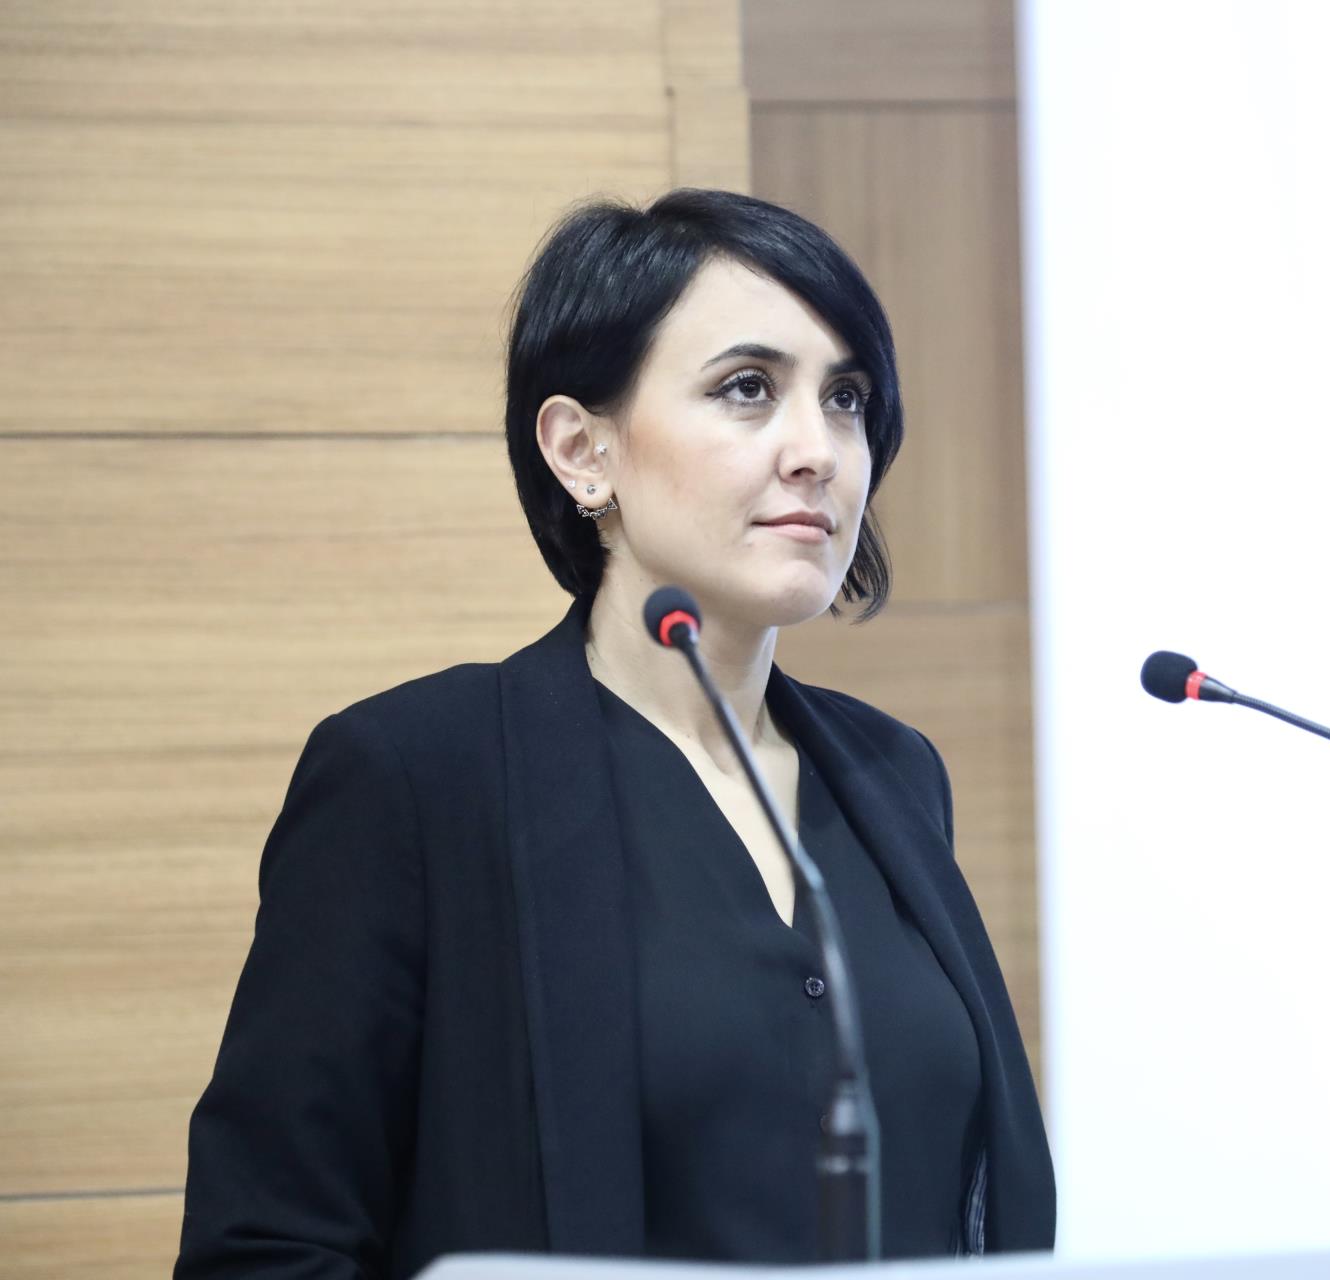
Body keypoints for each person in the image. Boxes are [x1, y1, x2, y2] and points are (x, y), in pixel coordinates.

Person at [175, 189, 1055, 1278]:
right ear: (581, 449)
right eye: (747, 388)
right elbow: (266, 1246)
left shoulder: (894, 774)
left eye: (846, 399)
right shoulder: (416, 777)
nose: (818, 450)